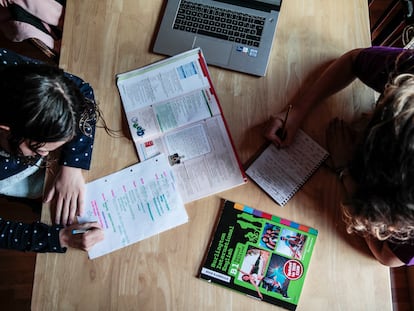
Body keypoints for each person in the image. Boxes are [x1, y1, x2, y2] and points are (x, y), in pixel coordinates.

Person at [264, 46, 414, 267]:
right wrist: (298, 111)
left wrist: (345, 171)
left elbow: (387, 256)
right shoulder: (408, 73)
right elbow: (353, 60)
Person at [0, 48, 104, 252]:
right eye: (38, 149)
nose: (46, 156)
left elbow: (81, 91)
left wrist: (73, 165)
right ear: (5, 130)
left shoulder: (12, 71)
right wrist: (60, 238)